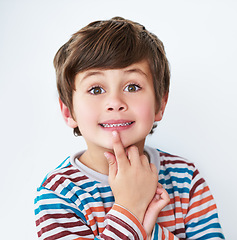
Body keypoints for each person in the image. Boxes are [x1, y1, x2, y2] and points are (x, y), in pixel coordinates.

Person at [34, 16, 225, 240]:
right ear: (68, 111)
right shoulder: (58, 193)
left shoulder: (185, 178)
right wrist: (130, 208)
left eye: (132, 86)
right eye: (96, 90)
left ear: (160, 103)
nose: (115, 102)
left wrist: (148, 232)